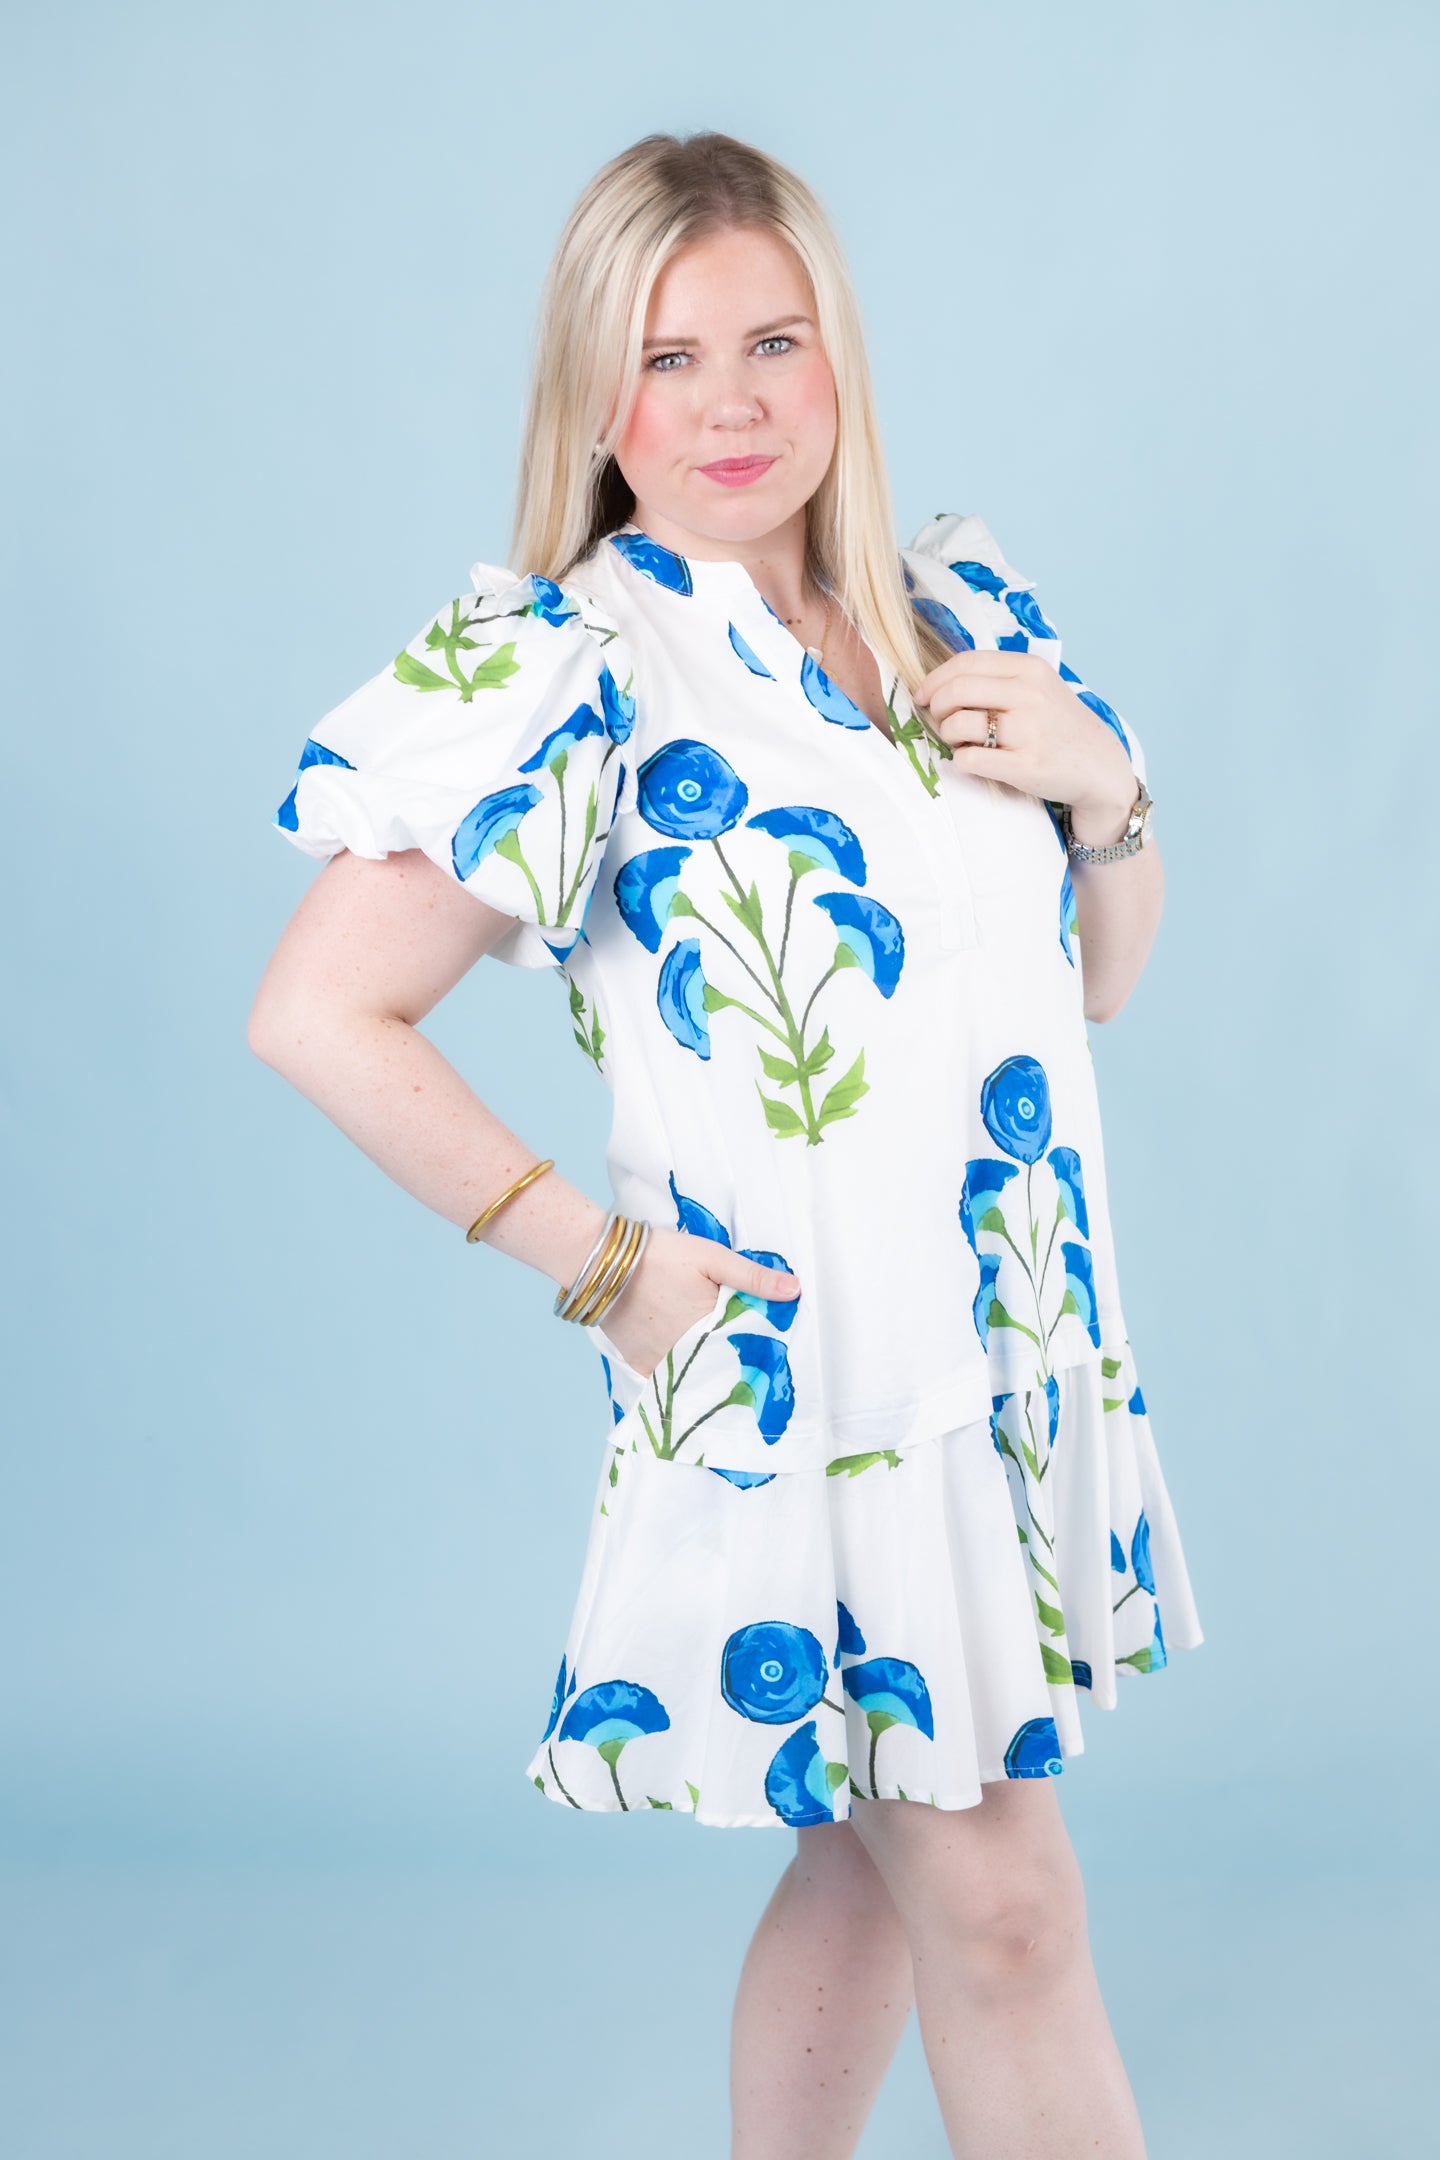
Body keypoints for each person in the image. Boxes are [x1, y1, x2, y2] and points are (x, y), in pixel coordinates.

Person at [249, 128, 1204, 2160]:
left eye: (774, 342)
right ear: (596, 400)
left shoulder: (953, 608)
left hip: (998, 1360)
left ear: (838, 351)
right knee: (1008, 1908)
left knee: (869, 1866)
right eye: (668, 360)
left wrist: (1106, 792)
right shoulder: (579, 668)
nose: (732, 404)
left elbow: (1099, 983)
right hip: (811, 1386)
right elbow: (316, 1011)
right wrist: (595, 1264)